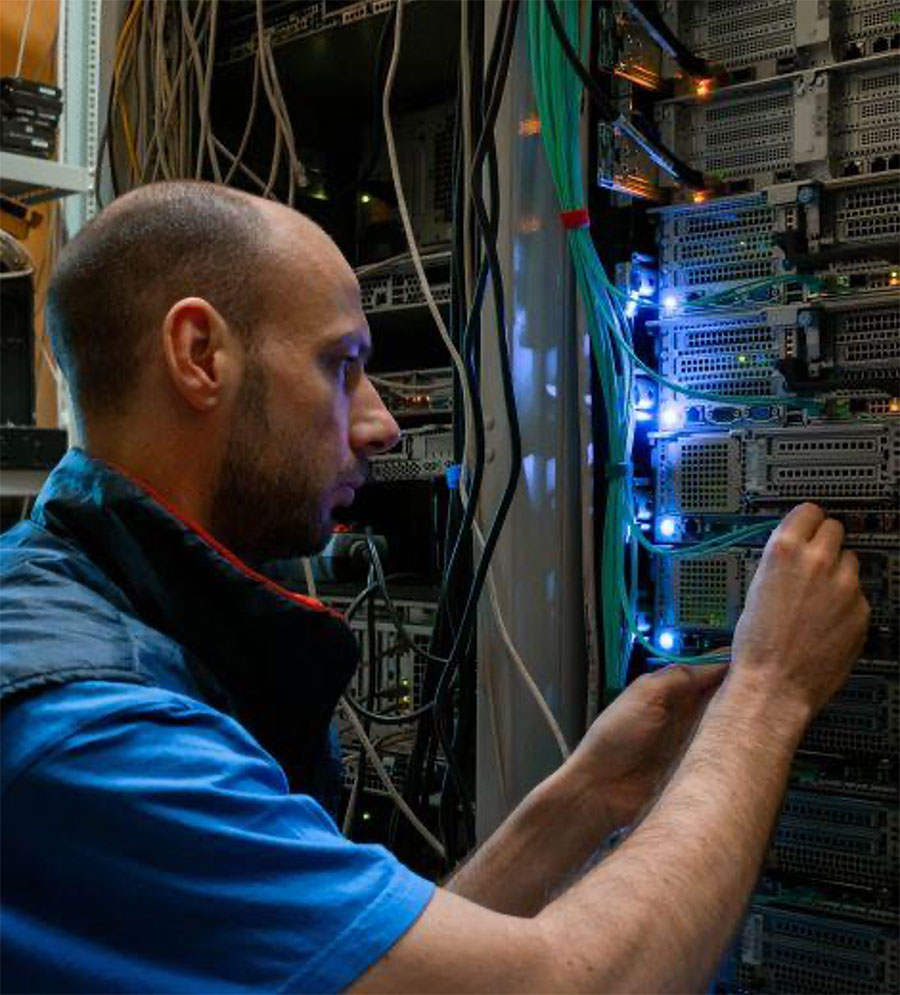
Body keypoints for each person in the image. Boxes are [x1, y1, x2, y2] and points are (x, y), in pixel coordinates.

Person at [0, 181, 869, 994]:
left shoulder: (96, 611)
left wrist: (585, 798)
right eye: (341, 364)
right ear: (200, 355)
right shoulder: (92, 730)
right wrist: (766, 693)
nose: (380, 423)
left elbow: (365, 967)